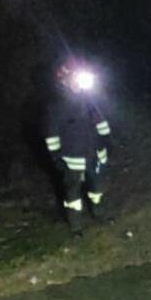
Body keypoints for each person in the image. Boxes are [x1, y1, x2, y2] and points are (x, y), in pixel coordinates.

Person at [44, 61, 113, 235]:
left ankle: (99, 213)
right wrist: (56, 156)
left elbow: (100, 120)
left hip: (95, 154)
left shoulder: (89, 101)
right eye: (74, 78)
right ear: (64, 81)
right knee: (73, 193)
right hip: (72, 158)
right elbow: (51, 133)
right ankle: (76, 227)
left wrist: (106, 139)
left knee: (97, 187)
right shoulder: (57, 106)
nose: (77, 82)